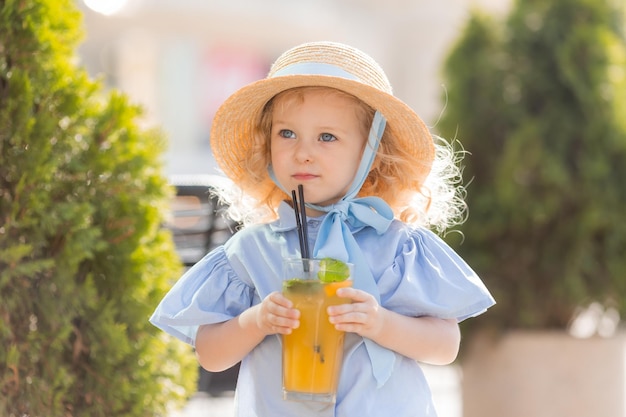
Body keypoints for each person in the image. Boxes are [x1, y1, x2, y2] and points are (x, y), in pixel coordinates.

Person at [150, 41, 495, 417]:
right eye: (286, 134)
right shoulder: (251, 250)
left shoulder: (396, 245)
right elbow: (210, 355)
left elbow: (446, 345)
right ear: (266, 146)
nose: (303, 152)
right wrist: (255, 321)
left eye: (327, 137)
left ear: (371, 152)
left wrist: (381, 323)